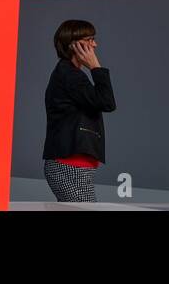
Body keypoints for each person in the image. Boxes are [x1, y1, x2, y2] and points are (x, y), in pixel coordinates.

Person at [41, 19, 116, 203]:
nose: (95, 44)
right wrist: (95, 67)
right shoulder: (69, 75)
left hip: (74, 167)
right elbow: (107, 102)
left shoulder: (70, 73)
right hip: (70, 167)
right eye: (90, 40)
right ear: (74, 45)